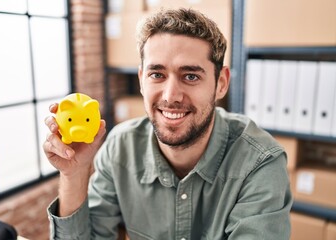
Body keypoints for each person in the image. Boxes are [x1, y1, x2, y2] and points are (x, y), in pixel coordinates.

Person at [44, 8, 292, 240]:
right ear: (142, 80)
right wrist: (74, 174)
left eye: (191, 76)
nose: (170, 95)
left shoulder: (260, 162)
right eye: (157, 75)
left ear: (221, 83)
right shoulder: (120, 148)